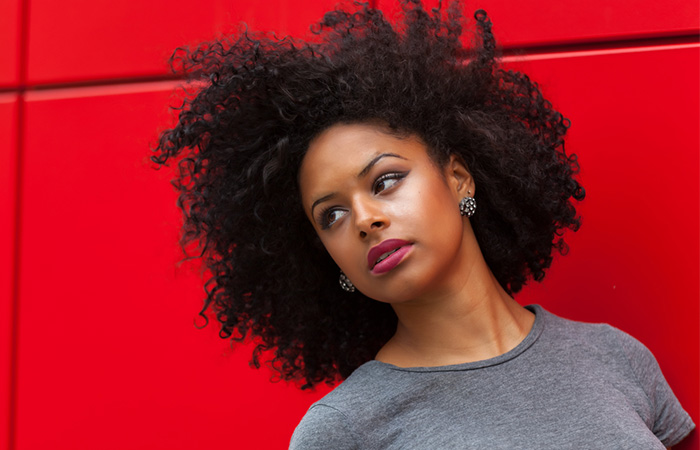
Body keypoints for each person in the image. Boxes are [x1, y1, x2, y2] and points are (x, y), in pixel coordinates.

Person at [152, 0, 695, 447]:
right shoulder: (345, 431)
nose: (364, 219)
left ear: (459, 179)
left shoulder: (614, 357)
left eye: (385, 181)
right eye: (332, 215)